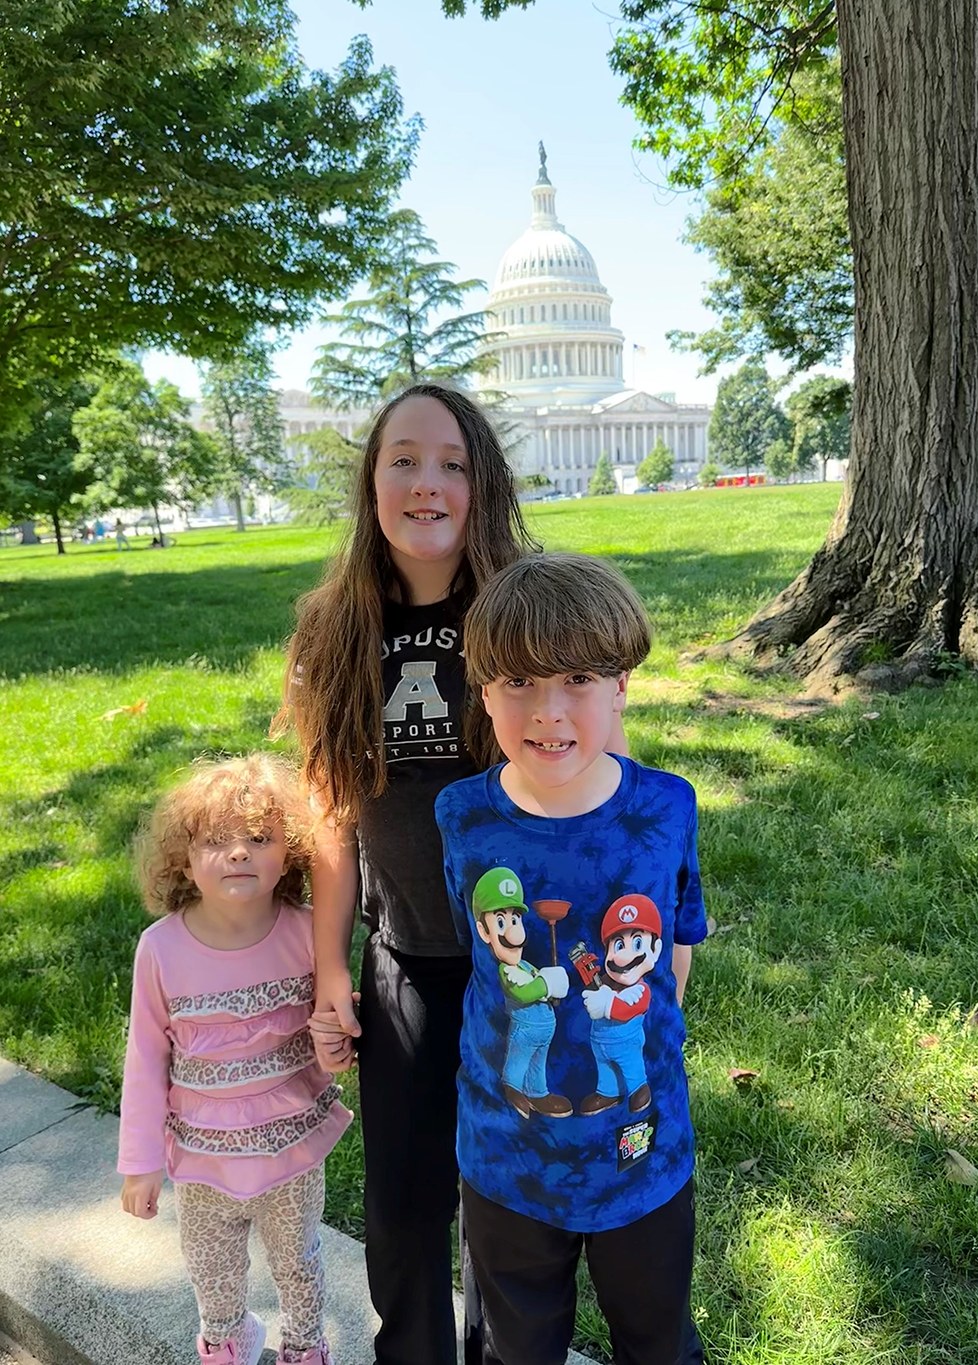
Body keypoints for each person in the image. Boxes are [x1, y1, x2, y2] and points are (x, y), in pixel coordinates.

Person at [275, 383, 541, 1365]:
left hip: (520, 967)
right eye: (404, 460)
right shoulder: (333, 629)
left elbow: (590, 776)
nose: (427, 483)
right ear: (372, 481)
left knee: (504, 1214)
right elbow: (331, 814)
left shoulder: (525, 610)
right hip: (403, 966)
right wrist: (334, 972)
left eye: (452, 464)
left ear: (482, 484)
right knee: (400, 1211)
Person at [434, 552, 708, 1365]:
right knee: (519, 1350)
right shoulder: (463, 817)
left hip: (641, 1154)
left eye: (580, 678)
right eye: (518, 682)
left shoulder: (665, 807)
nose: (548, 711)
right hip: (506, 1158)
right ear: (482, 690)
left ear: (622, 685)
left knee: (657, 1342)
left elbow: (676, 944)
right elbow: (478, 955)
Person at [117, 754, 352, 1365]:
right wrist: (141, 1165)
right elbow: (144, 1060)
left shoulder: (307, 933)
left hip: (290, 1151)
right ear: (184, 862)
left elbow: (329, 1043)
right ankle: (226, 1342)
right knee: (211, 1271)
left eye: (258, 838)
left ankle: (304, 1347)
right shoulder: (160, 950)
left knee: (299, 1263)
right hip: (202, 1158)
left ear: (291, 853)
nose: (239, 853)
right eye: (216, 842)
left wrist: (336, 1045)